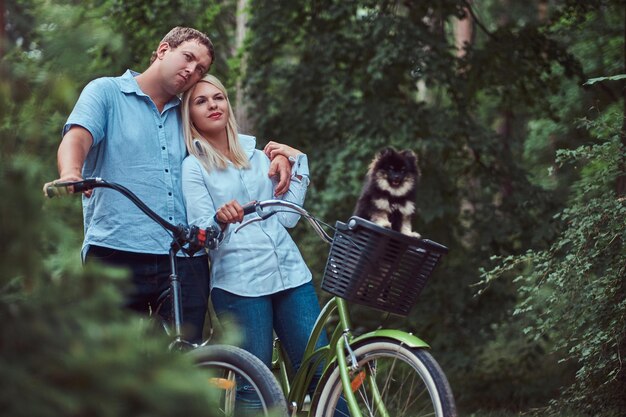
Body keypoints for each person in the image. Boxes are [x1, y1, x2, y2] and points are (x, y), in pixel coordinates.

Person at [44, 27, 292, 344]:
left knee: (186, 364)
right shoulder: (106, 93)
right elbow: (76, 137)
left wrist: (278, 155)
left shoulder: (190, 112)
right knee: (109, 358)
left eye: (201, 68)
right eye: (187, 58)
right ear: (163, 50)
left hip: (184, 256)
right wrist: (72, 172)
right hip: (115, 252)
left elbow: (233, 150)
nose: (192, 70)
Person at [180, 74, 329, 410]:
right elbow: (201, 233)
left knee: (324, 372)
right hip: (239, 285)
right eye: (200, 101)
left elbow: (287, 217)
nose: (212, 105)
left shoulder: (259, 156)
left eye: (217, 97)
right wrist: (220, 217)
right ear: (189, 116)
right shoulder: (193, 167)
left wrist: (296, 160)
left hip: (291, 276)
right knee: (253, 383)